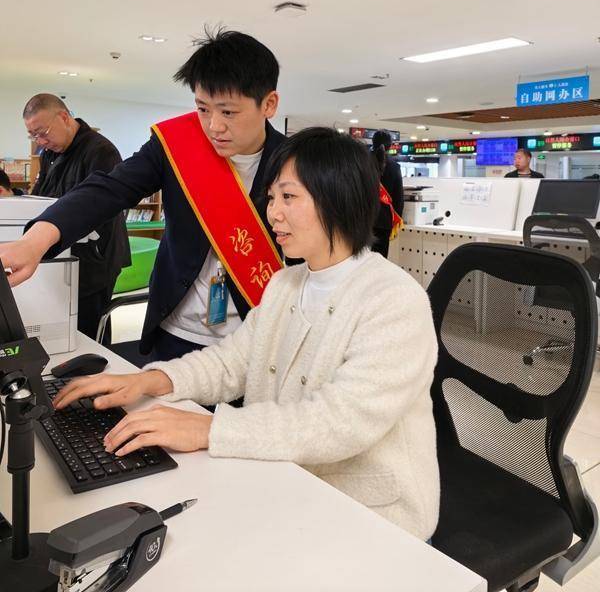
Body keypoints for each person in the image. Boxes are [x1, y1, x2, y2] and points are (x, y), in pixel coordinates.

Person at [53, 127, 440, 540]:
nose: (273, 213)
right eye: (272, 197)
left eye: (288, 197)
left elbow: (339, 421)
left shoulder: (394, 299)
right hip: (282, 481)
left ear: (337, 198)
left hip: (369, 518)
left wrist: (208, 429)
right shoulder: (285, 283)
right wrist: (148, 380)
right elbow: (232, 362)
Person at [0, 29, 285, 361]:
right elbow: (108, 189)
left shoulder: (296, 162)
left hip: (255, 338)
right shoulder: (176, 146)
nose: (213, 126)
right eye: (203, 109)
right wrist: (35, 241)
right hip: (176, 333)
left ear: (269, 104)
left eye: (228, 112)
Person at [19, 94, 131, 339]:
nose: (41, 141)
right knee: (62, 325)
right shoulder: (49, 153)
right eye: (33, 136)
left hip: (95, 259)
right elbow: (41, 196)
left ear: (64, 117)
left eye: (43, 132)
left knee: (89, 329)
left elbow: (101, 207)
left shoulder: (101, 151)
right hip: (61, 252)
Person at [370, 129, 404, 258]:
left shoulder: (361, 163)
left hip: (362, 220)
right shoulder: (394, 167)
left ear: (373, 143)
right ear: (390, 146)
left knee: (360, 259)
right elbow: (398, 198)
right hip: (384, 222)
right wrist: (396, 218)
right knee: (379, 259)